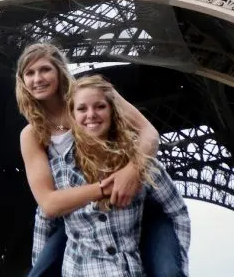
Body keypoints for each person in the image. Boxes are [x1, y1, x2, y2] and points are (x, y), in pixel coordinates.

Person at [16, 43, 190, 277]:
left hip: (132, 202)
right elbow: (48, 203)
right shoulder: (32, 133)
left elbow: (149, 133)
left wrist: (132, 171)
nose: (38, 78)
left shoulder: (90, 96)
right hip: (73, 211)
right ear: (22, 81)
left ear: (59, 70)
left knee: (169, 272)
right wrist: (103, 189)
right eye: (30, 73)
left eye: (45, 69)